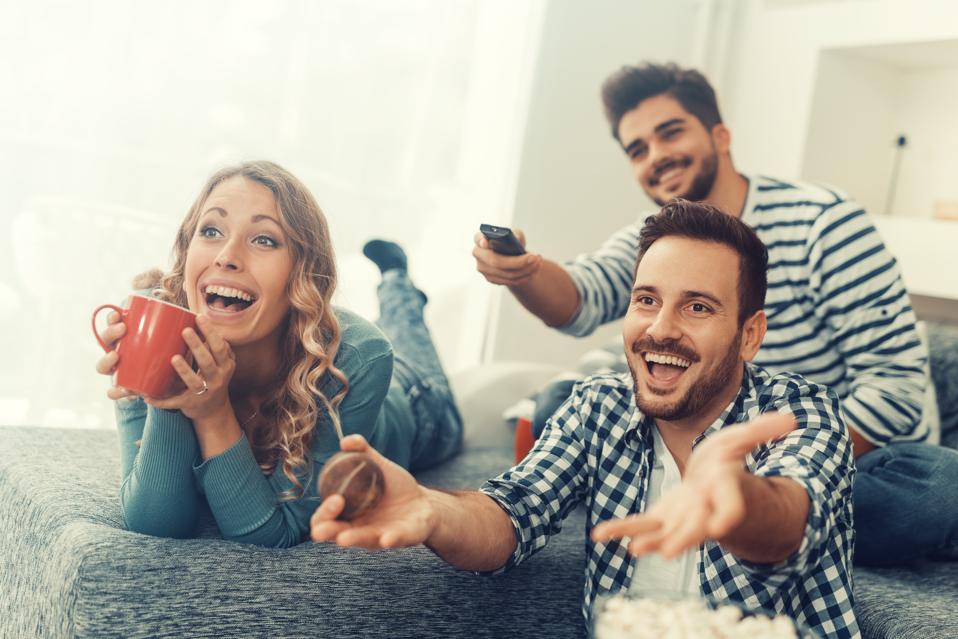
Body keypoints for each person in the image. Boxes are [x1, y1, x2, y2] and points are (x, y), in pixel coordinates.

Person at [473, 62, 958, 566]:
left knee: (940, 485)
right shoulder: (658, 236)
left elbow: (895, 388)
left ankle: (719, 509)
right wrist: (522, 272)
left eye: (670, 133)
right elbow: (578, 299)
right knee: (559, 401)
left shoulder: (825, 223)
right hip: (695, 445)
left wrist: (760, 475)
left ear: (720, 135)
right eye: (638, 149)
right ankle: (709, 508)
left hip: (832, 454)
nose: (656, 156)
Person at [313, 202, 860, 639]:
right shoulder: (597, 406)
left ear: (749, 334)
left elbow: (787, 522)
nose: (660, 329)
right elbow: (512, 514)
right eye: (647, 300)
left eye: (697, 307)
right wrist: (430, 509)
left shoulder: (801, 415)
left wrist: (736, 499)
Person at [94, 160, 462, 547]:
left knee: (405, 333)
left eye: (264, 240)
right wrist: (167, 395)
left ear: (301, 276)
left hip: (416, 405)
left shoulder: (360, 356)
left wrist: (212, 411)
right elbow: (156, 521)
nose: (227, 256)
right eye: (212, 231)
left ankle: (397, 281)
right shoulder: (150, 321)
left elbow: (274, 531)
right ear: (187, 254)